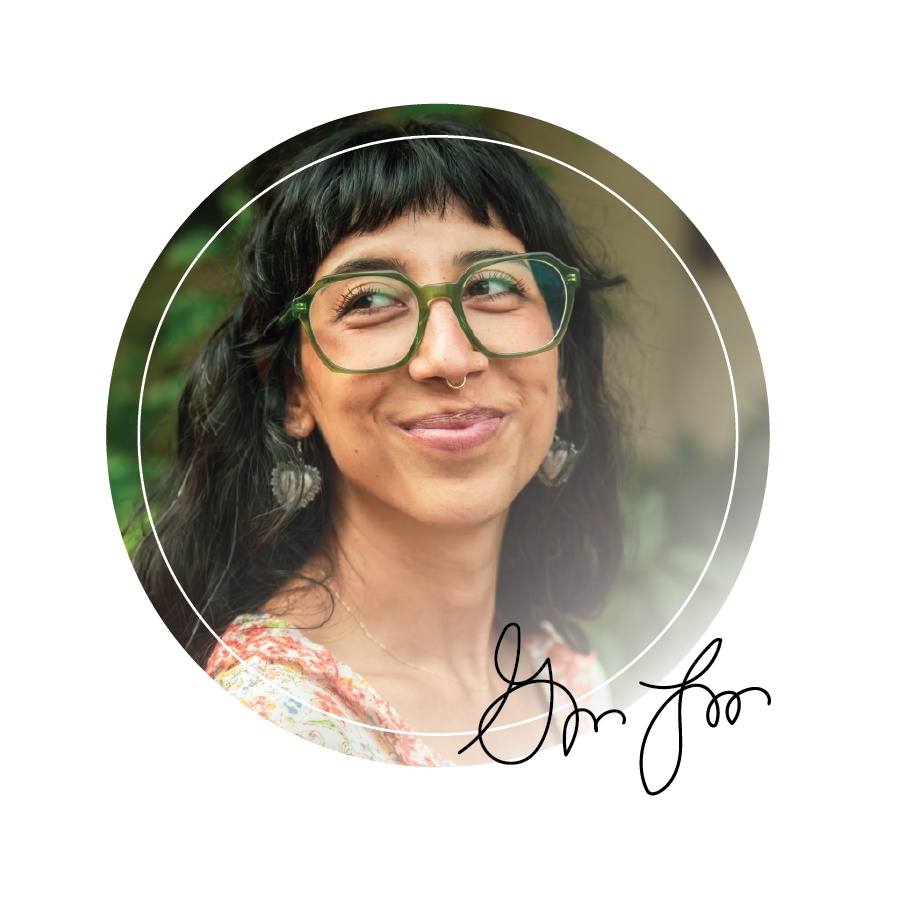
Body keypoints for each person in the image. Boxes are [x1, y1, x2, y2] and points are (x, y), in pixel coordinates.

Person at [133, 116, 625, 766]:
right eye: (369, 301)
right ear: (292, 391)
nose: (449, 358)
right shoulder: (282, 716)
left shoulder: (559, 671)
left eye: (492, 286)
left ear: (560, 372)